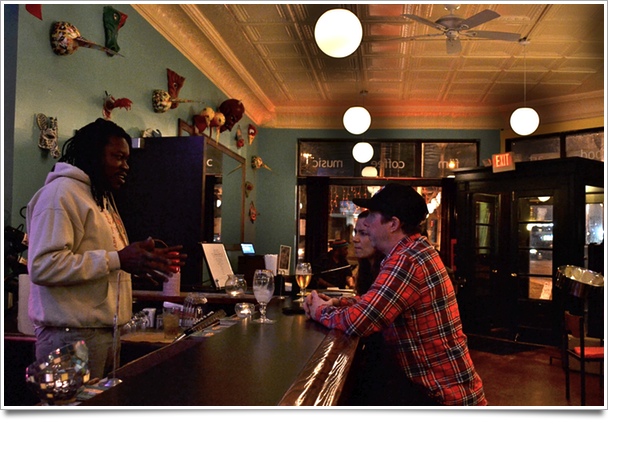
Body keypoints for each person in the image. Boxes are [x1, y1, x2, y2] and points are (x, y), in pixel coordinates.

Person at [26, 118, 187, 380]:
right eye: (118, 157)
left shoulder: (98, 196)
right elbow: (44, 265)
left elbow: (104, 261)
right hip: (70, 337)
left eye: (127, 159)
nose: (126, 166)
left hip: (103, 333)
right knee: (75, 408)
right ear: (93, 154)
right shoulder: (60, 194)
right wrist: (119, 259)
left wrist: (138, 262)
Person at [303, 183, 487, 406]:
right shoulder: (412, 250)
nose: (366, 223)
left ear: (393, 224)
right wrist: (337, 302)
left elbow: (359, 321)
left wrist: (318, 310)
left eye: (372, 215)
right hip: (439, 391)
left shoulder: (407, 260)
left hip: (443, 398)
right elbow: (377, 302)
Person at [352, 210, 383, 295]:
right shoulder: (366, 269)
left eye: (363, 233)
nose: (355, 239)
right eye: (355, 232)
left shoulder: (388, 269)